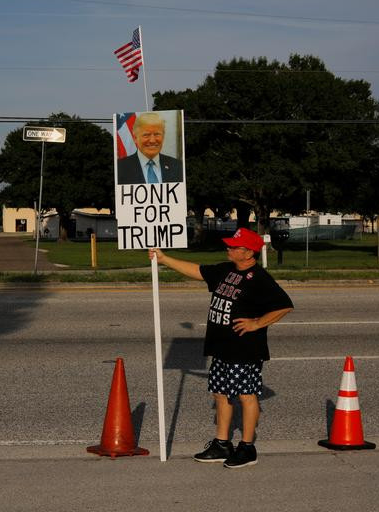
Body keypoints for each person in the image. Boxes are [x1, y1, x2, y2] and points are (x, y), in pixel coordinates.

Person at [148, 227, 293, 468]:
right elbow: (197, 271)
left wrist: (257, 323)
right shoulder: (227, 270)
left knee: (246, 395)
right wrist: (164, 259)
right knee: (220, 393)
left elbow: (284, 305)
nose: (228, 248)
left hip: (244, 349)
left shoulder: (259, 278)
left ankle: (247, 448)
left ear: (248, 253)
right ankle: (222, 444)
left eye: (234, 247)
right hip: (221, 346)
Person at [117, 112, 183, 184]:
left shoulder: (178, 166)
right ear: (135, 138)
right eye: (146, 135)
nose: (152, 140)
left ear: (163, 136)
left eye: (157, 134)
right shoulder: (120, 168)